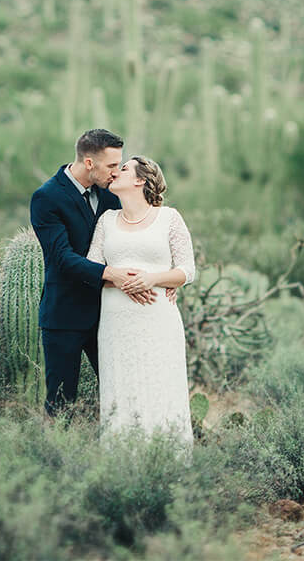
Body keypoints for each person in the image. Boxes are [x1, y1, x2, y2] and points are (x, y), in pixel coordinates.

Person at [29, 129, 162, 417]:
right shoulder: (46, 198)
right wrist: (112, 274)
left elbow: (138, 234)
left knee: (124, 393)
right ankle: (55, 459)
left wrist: (160, 276)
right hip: (64, 315)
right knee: (61, 404)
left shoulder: (111, 194)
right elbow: (63, 258)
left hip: (111, 315)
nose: (117, 173)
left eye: (120, 165)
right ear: (89, 163)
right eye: (112, 166)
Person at [87, 156, 195, 446]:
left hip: (157, 321)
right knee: (121, 389)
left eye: (123, 169)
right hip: (116, 324)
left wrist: (152, 279)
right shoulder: (107, 221)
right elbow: (91, 269)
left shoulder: (169, 218)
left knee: (160, 386)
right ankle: (121, 466)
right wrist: (121, 280)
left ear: (140, 180)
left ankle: (168, 461)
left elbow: (187, 270)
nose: (115, 173)